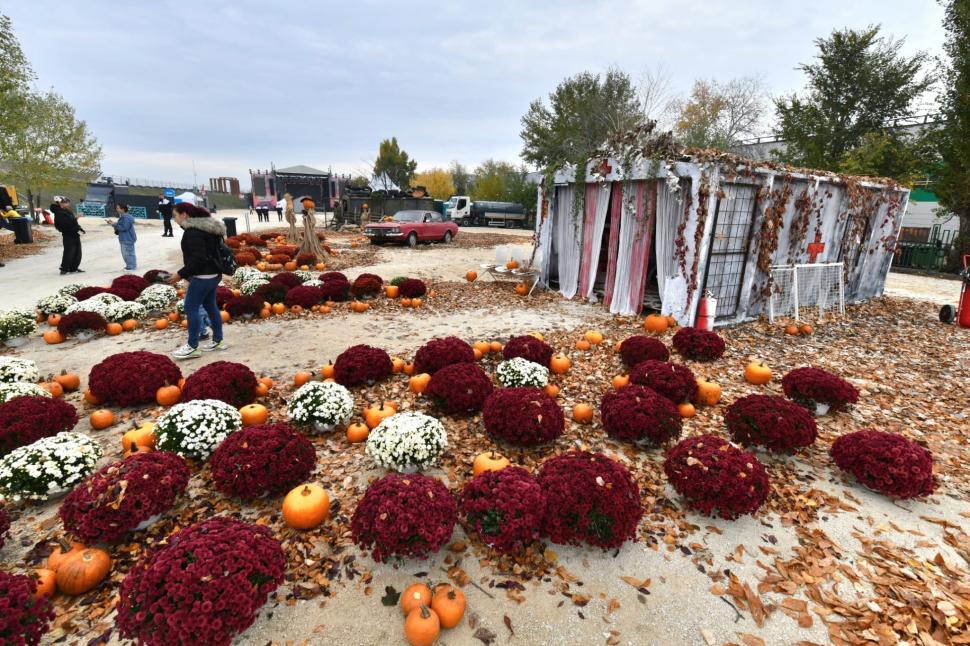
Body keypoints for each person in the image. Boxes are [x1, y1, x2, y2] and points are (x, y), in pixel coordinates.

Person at [167, 203, 227, 359]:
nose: (175, 220)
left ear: (184, 214)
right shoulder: (209, 227)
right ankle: (218, 340)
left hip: (202, 276)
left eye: (175, 216)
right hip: (214, 274)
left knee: (190, 307)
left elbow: (198, 259)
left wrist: (180, 274)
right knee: (210, 305)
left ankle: (193, 346)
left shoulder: (193, 232)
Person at [52, 197, 84, 274]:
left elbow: (73, 222)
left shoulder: (66, 211)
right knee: (69, 252)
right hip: (68, 235)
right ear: (61, 203)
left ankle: (73, 267)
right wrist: (76, 218)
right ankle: (64, 268)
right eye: (66, 202)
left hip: (74, 233)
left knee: (77, 252)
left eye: (68, 202)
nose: (68, 204)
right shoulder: (59, 212)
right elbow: (65, 224)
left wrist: (79, 229)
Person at [107, 203, 137, 270]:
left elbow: (124, 228)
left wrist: (114, 224)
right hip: (126, 238)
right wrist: (114, 223)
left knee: (128, 253)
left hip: (127, 238)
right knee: (126, 253)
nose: (116, 209)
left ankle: (131, 267)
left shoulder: (126, 217)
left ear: (123, 209)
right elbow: (123, 226)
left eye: (118, 208)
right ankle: (130, 266)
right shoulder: (125, 217)